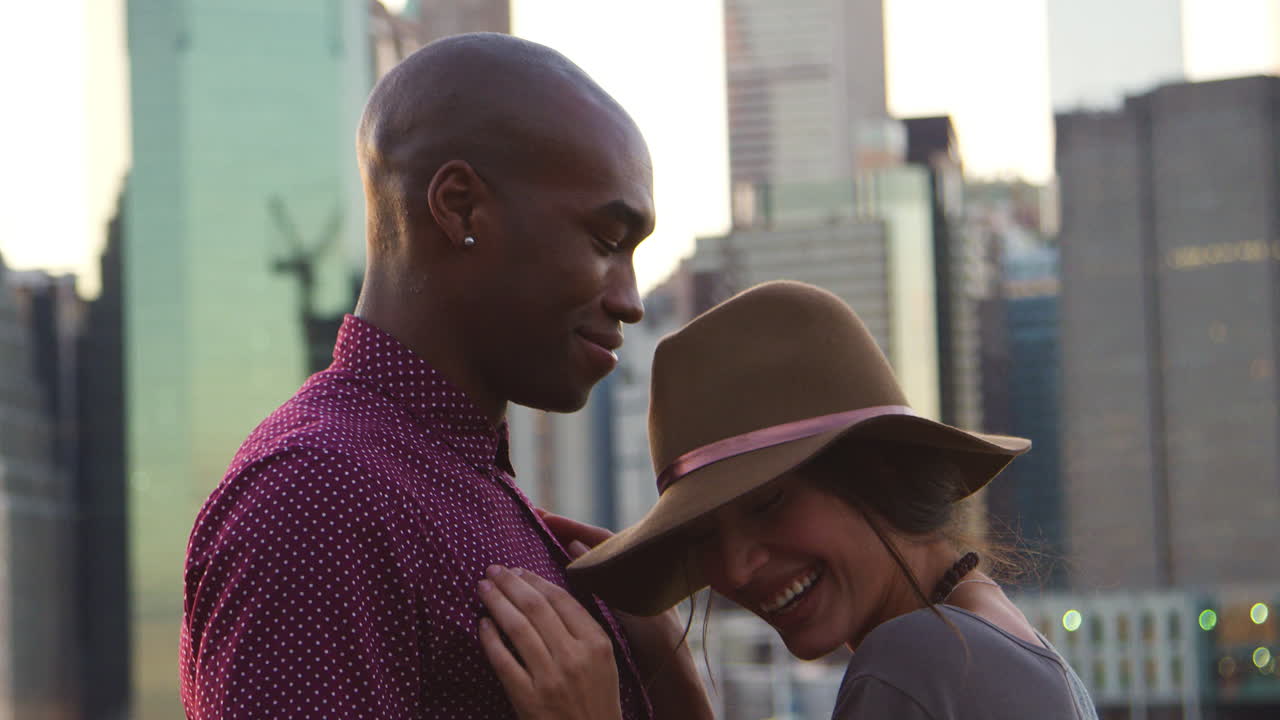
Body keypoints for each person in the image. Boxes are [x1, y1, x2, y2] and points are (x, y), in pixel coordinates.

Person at [179, 33, 711, 720]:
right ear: (460, 207)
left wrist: (668, 677)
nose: (630, 301)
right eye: (607, 242)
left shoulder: (455, 486)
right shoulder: (318, 498)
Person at [479, 280, 1098, 719]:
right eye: (703, 536)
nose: (735, 568)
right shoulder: (1008, 648)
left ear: (880, 469)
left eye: (768, 503)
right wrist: (671, 669)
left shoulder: (914, 661)